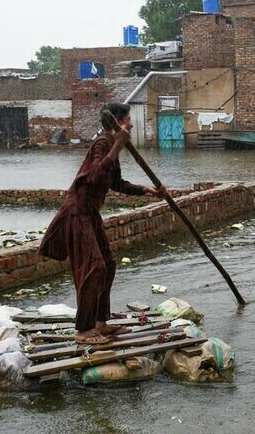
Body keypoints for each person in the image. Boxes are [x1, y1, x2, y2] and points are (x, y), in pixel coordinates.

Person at [38, 103, 166, 344]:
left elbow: (115, 183)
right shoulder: (103, 144)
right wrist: (117, 145)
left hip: (91, 213)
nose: (130, 124)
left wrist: (146, 190)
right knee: (94, 267)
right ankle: (83, 331)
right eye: (128, 120)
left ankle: (100, 322)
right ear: (117, 122)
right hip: (78, 212)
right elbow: (95, 174)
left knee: (108, 263)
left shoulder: (111, 147)